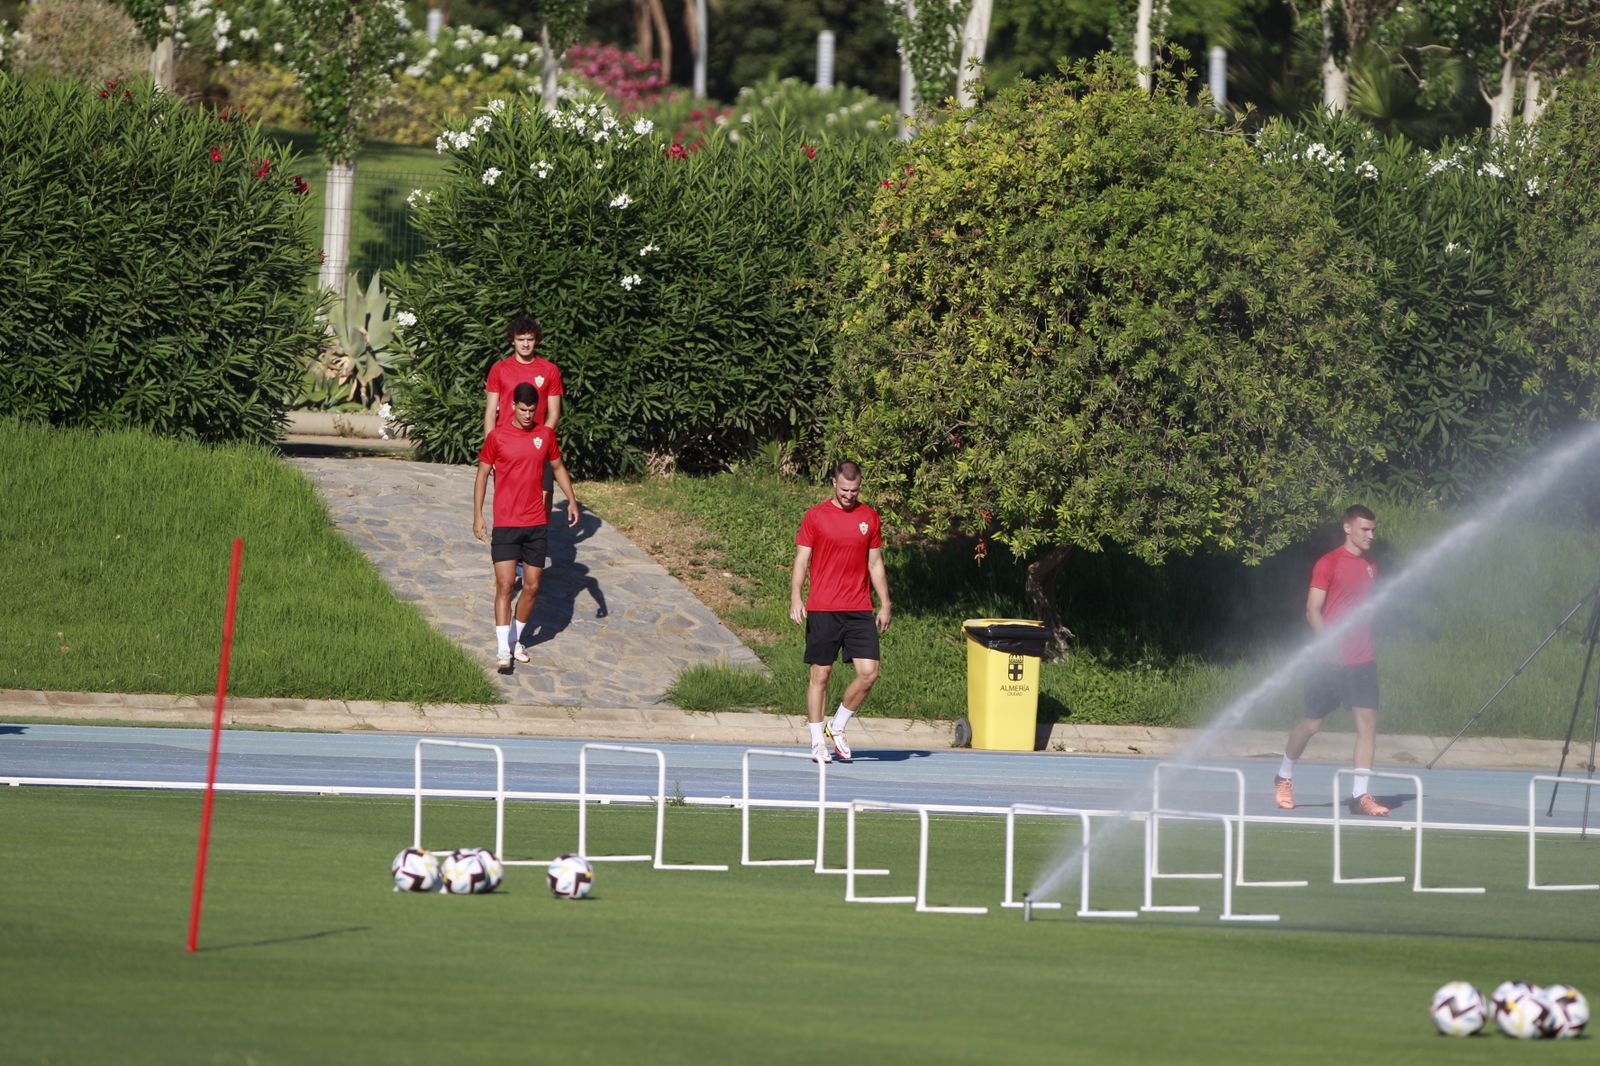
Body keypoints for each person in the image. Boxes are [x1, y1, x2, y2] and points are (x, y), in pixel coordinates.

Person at [1274, 504, 1390, 816]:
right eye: (1365, 529)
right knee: (1312, 723)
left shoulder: (1370, 566)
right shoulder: (1328, 563)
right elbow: (1312, 609)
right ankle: (1284, 776)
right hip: (1328, 660)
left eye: (1373, 530)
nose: (1370, 535)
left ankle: (1360, 795)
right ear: (1348, 528)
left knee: (1367, 724)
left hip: (1363, 659)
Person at [473, 382, 580, 674]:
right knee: (506, 585)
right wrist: (478, 515)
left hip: (536, 524)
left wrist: (571, 500)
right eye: (522, 409)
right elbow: (482, 474)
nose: (527, 415)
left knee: (532, 585)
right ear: (512, 407)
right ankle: (502, 650)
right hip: (506, 522)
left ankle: (514, 639)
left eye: (532, 410)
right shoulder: (497, 437)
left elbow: (557, 467)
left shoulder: (545, 435)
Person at [789, 461, 892, 764]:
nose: (849, 495)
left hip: (859, 608)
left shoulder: (869, 517)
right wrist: (796, 597)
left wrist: (885, 603)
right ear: (834, 483)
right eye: (844, 489)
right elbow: (801, 560)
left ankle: (838, 726)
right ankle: (817, 740)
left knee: (869, 673)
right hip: (823, 607)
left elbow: (875, 564)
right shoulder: (816, 516)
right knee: (821, 674)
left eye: (855, 490)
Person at [484, 314, 565, 530]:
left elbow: (554, 412)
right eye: (521, 339)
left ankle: (536, 542)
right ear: (513, 340)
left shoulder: (549, 370)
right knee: (509, 499)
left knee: (545, 495)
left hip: (539, 444)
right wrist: (490, 449)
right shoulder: (499, 369)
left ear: (536, 340)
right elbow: (491, 412)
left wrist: (542, 439)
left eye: (530, 339)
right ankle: (515, 553)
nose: (526, 344)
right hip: (506, 446)